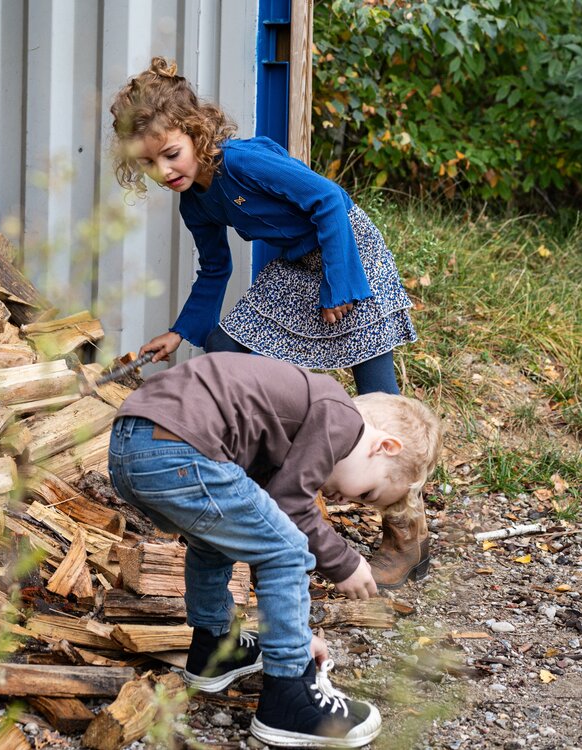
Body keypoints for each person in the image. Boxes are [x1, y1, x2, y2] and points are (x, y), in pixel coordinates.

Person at [110, 57, 426, 589]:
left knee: (380, 393)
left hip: (347, 250)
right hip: (299, 264)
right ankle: (238, 490)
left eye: (171, 154)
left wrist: (341, 284)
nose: (165, 172)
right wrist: (181, 332)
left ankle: (407, 534)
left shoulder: (242, 163)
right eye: (149, 165)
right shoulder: (196, 202)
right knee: (225, 342)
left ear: (196, 132)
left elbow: (329, 199)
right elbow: (216, 268)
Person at [108, 352, 442, 748]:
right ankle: (289, 697)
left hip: (132, 445)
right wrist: (344, 563)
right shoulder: (341, 417)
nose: (344, 499)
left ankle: (214, 647)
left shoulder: (291, 425)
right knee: (288, 551)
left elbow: (266, 516)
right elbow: (290, 509)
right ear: (383, 445)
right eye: (367, 493)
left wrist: (296, 634)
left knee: (215, 541)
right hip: (179, 447)